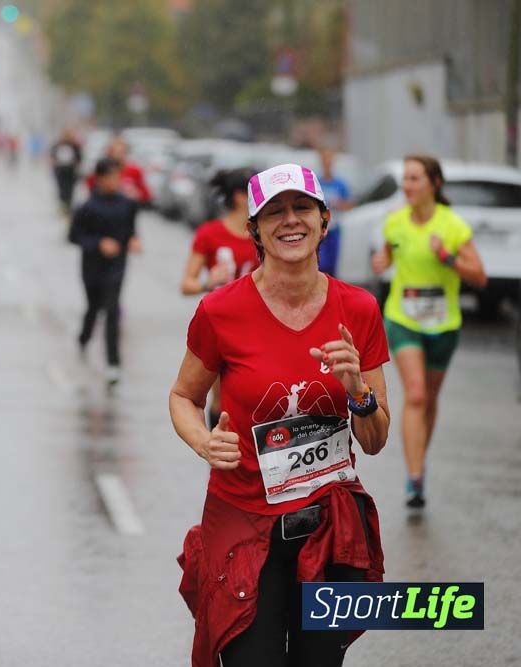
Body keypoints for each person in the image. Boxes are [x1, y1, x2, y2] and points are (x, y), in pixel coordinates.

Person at [170, 163, 390, 667]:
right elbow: (182, 397)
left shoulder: (358, 309)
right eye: (274, 212)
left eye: (302, 208)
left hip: (329, 526)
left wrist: (358, 391)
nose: (290, 221)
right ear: (255, 230)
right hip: (244, 523)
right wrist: (203, 441)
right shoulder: (220, 311)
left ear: (324, 220)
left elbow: (375, 439)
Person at [370, 154, 487, 509]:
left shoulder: (452, 226)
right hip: (403, 319)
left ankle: (419, 457)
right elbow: (389, 255)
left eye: (415, 179)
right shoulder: (395, 222)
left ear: (434, 184)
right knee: (416, 395)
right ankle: (415, 476)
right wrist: (382, 262)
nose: (407, 185)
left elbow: (479, 277)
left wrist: (447, 258)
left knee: (430, 399)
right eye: (405, 179)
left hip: (443, 324)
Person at [179, 168, 260, 427]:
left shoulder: (265, 233)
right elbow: (186, 284)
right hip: (223, 326)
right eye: (255, 193)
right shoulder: (210, 233)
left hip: (260, 323)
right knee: (222, 399)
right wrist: (208, 281)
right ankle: (219, 456)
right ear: (239, 197)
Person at [69, 157, 142, 386]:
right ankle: (84, 337)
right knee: (93, 308)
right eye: (110, 177)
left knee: (112, 311)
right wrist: (99, 243)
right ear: (99, 179)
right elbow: (73, 236)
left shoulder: (127, 205)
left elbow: (131, 230)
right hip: (92, 267)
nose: (115, 181)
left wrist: (133, 241)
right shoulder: (87, 207)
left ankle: (113, 363)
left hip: (116, 268)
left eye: (118, 177)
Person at [316, 149, 352, 276]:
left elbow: (349, 205)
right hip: (320, 228)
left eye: (329, 160)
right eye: (324, 160)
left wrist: (338, 203)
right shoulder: (317, 183)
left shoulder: (340, 184)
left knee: (333, 263)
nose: (327, 163)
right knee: (321, 261)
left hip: (335, 229)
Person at [85, 137, 152, 205]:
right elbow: (91, 187)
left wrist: (136, 194)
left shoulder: (134, 170)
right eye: (114, 152)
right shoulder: (102, 169)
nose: (117, 155)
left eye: (121, 152)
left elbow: (146, 195)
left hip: (126, 210)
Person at [50, 129, 82, 212]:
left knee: (70, 189)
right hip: (60, 171)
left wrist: (76, 165)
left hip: (71, 171)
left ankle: (68, 205)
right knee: (62, 189)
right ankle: (63, 206)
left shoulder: (75, 145)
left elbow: (79, 158)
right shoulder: (58, 145)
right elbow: (52, 156)